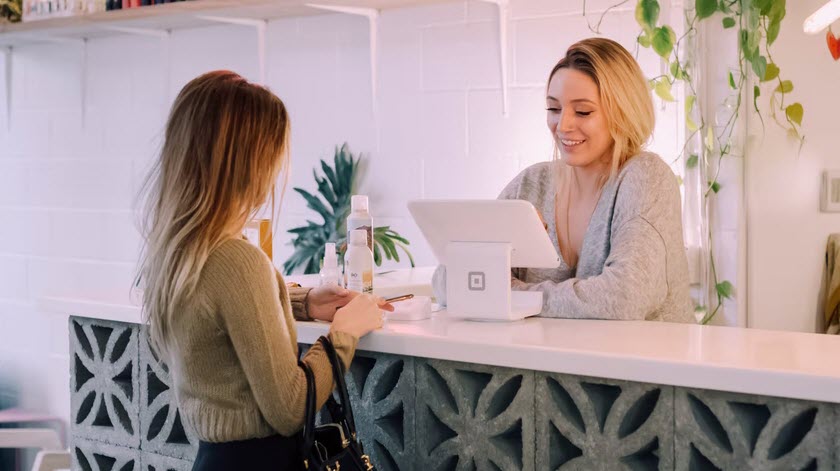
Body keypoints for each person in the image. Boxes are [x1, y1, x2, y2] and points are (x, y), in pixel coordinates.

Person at [136, 70, 392, 470]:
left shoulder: (177, 252)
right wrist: (344, 332)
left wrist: (301, 303)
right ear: (248, 163)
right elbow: (290, 407)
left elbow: (221, 311)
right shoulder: (238, 261)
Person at [433, 38, 692, 323]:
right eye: (554, 109)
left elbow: (625, 298)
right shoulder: (532, 184)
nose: (563, 125)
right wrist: (498, 255)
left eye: (583, 111)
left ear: (624, 112)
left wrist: (517, 295)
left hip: (641, 365)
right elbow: (447, 284)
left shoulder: (646, 178)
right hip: (554, 363)